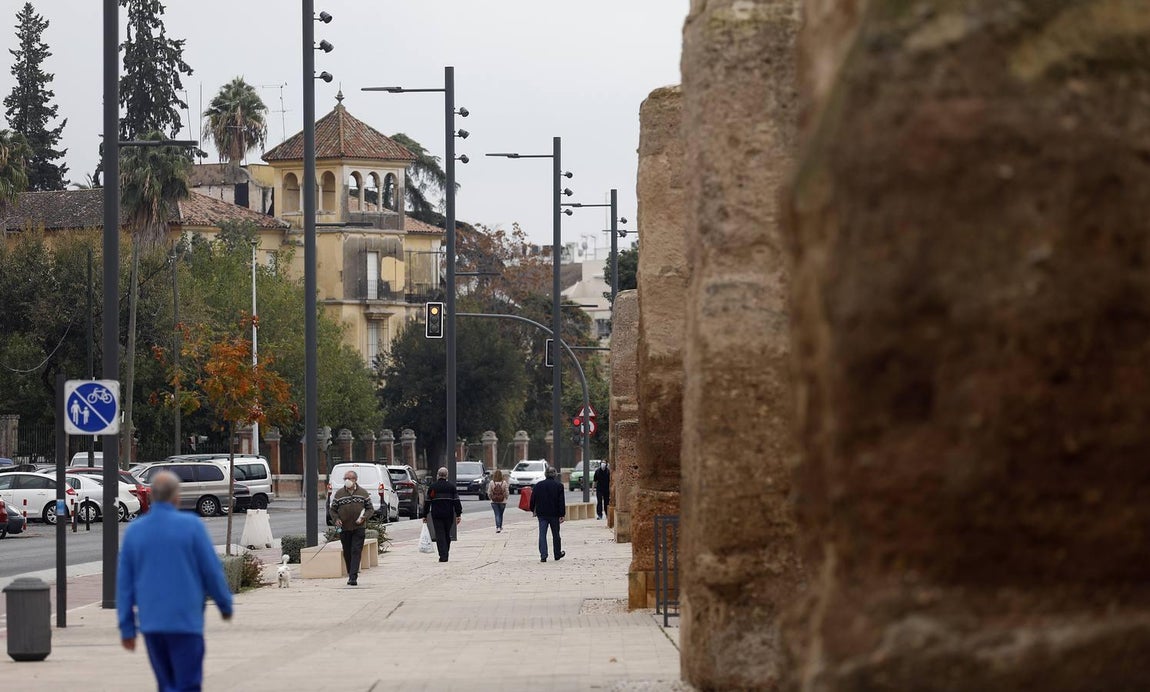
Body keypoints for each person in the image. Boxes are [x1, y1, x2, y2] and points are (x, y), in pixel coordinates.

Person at [117, 470, 233, 692]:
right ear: (176, 497)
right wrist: (224, 604)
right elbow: (211, 571)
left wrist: (127, 628)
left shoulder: (134, 532)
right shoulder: (192, 526)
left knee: (165, 684)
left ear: (151, 496)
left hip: (152, 623)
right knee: (188, 683)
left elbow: (124, 585)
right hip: (185, 621)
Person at [328, 469, 373, 586]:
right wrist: (336, 519)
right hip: (344, 528)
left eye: (349, 478)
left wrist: (364, 517)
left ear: (355, 480)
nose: (347, 480)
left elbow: (370, 509)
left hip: (359, 527)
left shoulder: (363, 493)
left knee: (356, 550)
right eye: (345, 478)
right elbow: (333, 510)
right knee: (347, 552)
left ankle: (353, 577)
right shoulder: (339, 494)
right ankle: (350, 572)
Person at [423, 467, 462, 562]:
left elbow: (428, 501)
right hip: (448, 514)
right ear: (446, 476)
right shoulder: (451, 487)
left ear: (438, 475)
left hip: (436, 515)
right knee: (447, 534)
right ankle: (445, 552)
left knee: (440, 535)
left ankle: (443, 555)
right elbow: (456, 501)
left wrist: (425, 514)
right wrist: (458, 514)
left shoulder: (433, 488)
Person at [530, 466, 566, 562]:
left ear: (545, 474)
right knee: (556, 534)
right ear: (555, 475)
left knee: (542, 534)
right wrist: (562, 514)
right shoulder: (559, 486)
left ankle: (543, 555)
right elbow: (561, 501)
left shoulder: (538, 485)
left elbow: (532, 499)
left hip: (542, 513)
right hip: (554, 514)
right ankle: (557, 554)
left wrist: (533, 510)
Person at [487, 469, 510, 533]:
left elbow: (489, 492)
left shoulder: (492, 482)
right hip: (503, 501)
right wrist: (506, 498)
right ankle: (500, 526)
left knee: (496, 514)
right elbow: (507, 492)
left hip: (494, 501)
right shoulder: (504, 482)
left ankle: (498, 527)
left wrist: (490, 498)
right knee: (501, 514)